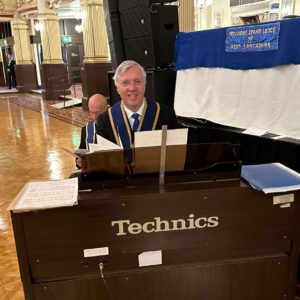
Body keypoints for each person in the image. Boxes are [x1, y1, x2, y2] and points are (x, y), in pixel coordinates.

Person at [96, 60, 179, 148]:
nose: (132, 88)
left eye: (137, 81)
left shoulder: (167, 115)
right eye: (125, 82)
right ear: (117, 88)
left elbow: (175, 154)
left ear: (145, 84)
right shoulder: (105, 120)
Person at [76, 93, 108, 168]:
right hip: (91, 171)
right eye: (91, 112)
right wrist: (78, 161)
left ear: (106, 110)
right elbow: (81, 150)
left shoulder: (115, 127)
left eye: (97, 113)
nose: (94, 116)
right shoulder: (86, 129)